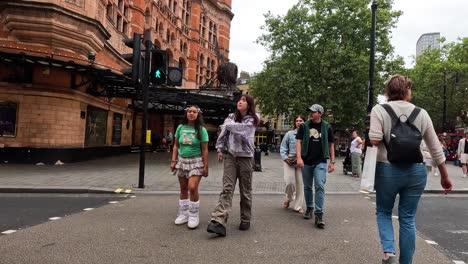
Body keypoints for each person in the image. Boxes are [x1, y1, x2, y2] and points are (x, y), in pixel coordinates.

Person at [369, 74, 452, 264]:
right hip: (415, 171)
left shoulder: (379, 110)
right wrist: (445, 177)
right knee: (407, 218)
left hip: (387, 169)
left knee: (383, 211)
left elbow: (374, 139)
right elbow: (435, 148)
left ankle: (389, 252)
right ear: (407, 91)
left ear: (388, 91)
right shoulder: (421, 113)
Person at [207, 94, 260, 237]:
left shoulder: (254, 118)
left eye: (243, 101)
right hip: (230, 156)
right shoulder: (231, 116)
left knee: (245, 190)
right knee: (227, 188)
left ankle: (245, 218)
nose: (240, 102)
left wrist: (228, 124)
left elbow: (244, 130)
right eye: (239, 100)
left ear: (249, 104)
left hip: (246, 158)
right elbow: (223, 132)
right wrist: (219, 148)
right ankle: (218, 221)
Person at [296, 104, 335, 229]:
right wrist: (299, 158)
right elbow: (299, 142)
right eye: (310, 112)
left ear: (320, 113)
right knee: (307, 187)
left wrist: (332, 162)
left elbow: (331, 145)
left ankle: (319, 214)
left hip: (321, 161)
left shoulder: (327, 127)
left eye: (313, 112)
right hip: (306, 160)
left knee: (319, 185)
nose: (311, 114)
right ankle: (309, 208)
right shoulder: (304, 126)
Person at [170, 105, 209, 229]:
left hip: (196, 162)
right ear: (186, 113)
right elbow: (176, 145)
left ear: (198, 115)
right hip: (181, 161)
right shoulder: (180, 127)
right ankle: (183, 214)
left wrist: (206, 166)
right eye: (189, 111)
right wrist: (173, 160)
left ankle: (193, 215)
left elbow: (205, 149)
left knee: (192, 187)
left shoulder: (201, 130)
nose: (191, 113)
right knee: (183, 188)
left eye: (194, 112)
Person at [280, 115, 306, 214]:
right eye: (297, 120)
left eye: (301, 120)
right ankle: (289, 198)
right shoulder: (289, 134)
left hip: (302, 161)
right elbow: (283, 148)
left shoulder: (307, 134)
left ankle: (298, 206)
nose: (299, 122)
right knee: (289, 182)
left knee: (300, 184)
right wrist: (286, 159)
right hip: (290, 159)